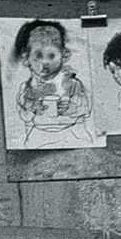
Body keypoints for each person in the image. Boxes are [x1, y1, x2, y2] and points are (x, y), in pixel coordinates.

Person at [10, 18, 95, 148]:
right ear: (26, 58)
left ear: (64, 55)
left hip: (72, 135)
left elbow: (85, 108)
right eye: (38, 56)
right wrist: (33, 109)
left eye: (51, 56)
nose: (45, 62)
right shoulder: (27, 88)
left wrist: (71, 108)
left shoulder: (73, 84)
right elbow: (24, 115)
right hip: (39, 138)